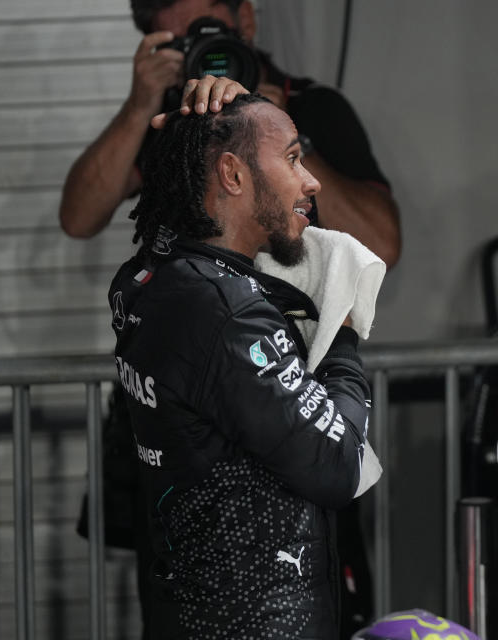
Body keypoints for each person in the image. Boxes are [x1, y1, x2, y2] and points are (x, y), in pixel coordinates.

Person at [109, 77, 370, 639]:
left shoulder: (148, 276)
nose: (311, 181)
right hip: (258, 622)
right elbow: (339, 465)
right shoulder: (226, 312)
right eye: (294, 158)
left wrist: (204, 111)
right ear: (232, 175)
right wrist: (343, 337)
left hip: (195, 609)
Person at [59, 0, 400, 268]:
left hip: (295, 338)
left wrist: (280, 135)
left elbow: (381, 248)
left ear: (246, 21)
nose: (207, 57)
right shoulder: (171, 120)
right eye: (186, 44)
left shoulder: (313, 107)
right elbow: (78, 220)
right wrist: (138, 107)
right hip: (201, 330)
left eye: (213, 35)